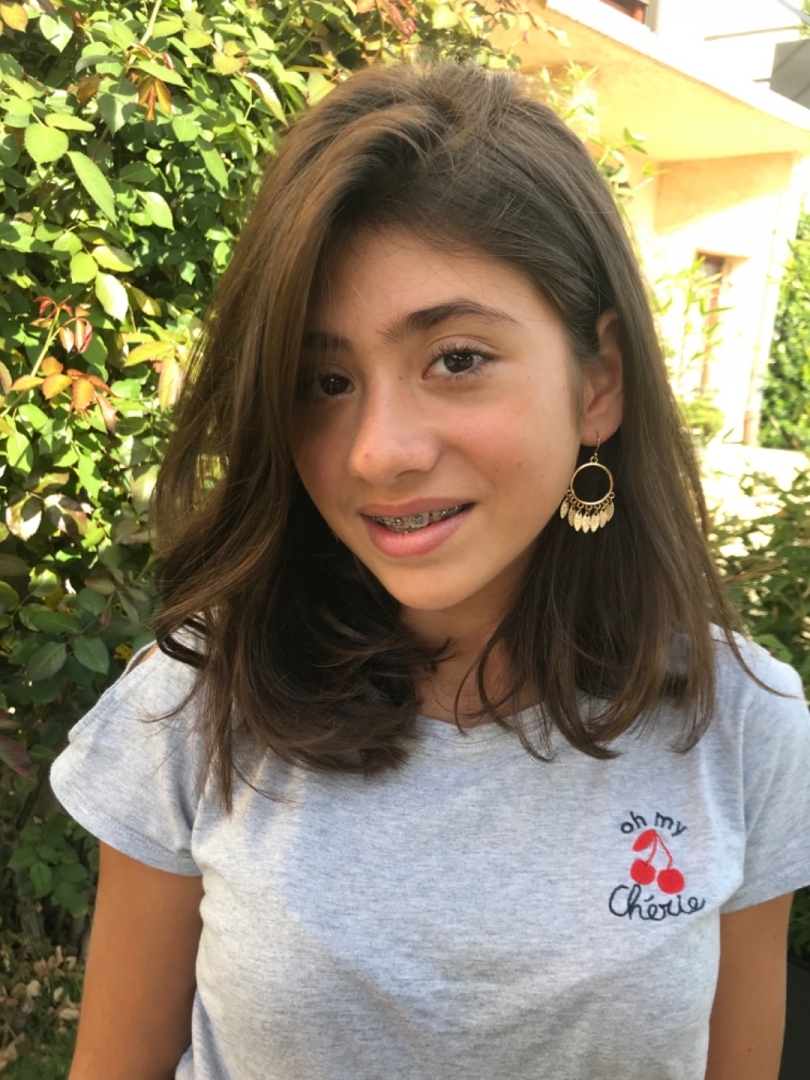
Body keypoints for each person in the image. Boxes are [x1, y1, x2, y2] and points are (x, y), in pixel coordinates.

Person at [50, 62, 810, 1080]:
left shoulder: (744, 725)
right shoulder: (197, 704)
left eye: (456, 359)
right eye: (325, 380)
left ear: (598, 382)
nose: (379, 452)